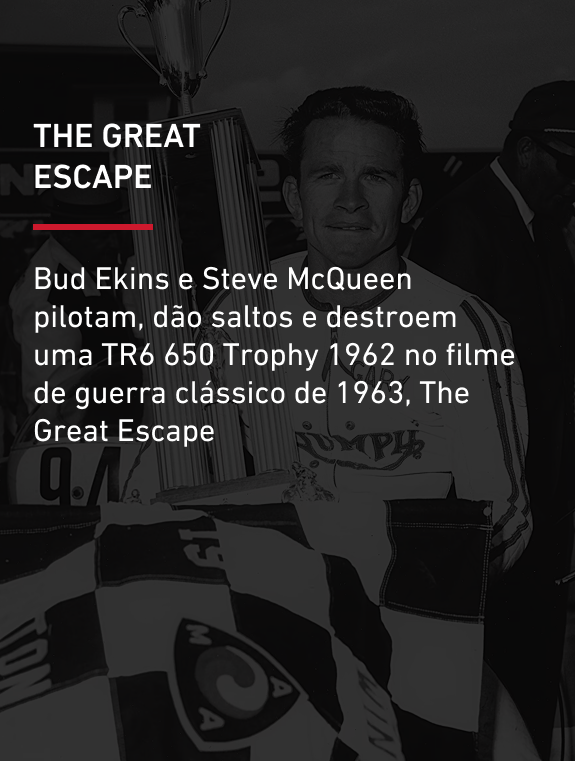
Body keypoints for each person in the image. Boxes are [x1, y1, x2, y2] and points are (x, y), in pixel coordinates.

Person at [210, 86, 533, 759]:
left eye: (376, 177)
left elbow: (505, 517)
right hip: (262, 634)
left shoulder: (462, 328)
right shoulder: (237, 311)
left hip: (409, 646)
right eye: (327, 174)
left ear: (409, 201)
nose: (351, 200)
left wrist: (415, 611)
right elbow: (182, 476)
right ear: (293, 196)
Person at [409, 81, 575, 759]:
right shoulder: (463, 224)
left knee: (528, 704)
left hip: (538, 523)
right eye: (569, 163)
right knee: (490, 718)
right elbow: (439, 393)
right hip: (492, 534)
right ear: (526, 149)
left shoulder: (542, 228)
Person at [9, 184, 137, 414]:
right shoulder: (50, 303)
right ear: (67, 233)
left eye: (116, 231)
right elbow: (51, 405)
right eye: (101, 235)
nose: (114, 243)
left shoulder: (86, 263)